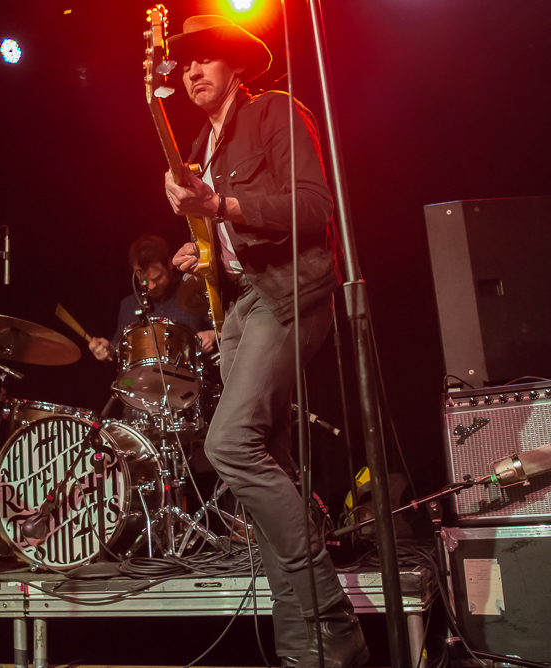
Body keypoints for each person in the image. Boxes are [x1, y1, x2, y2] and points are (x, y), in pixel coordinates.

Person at [162, 16, 366, 668]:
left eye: (205, 59)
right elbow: (229, 235)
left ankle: (330, 617)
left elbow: (313, 208)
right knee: (270, 466)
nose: (191, 70)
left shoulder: (276, 112)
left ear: (237, 66)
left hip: (291, 294)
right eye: (184, 62)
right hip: (244, 304)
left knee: (229, 442)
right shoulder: (204, 144)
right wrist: (203, 253)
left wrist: (220, 208)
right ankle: (307, 652)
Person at [88, 234, 215, 362]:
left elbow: (225, 328)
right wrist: (107, 349)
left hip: (190, 377)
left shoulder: (193, 292)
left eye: (157, 278)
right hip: (142, 379)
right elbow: (119, 347)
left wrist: (212, 335)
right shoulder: (129, 304)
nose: (151, 286)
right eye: (143, 281)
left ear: (169, 264)